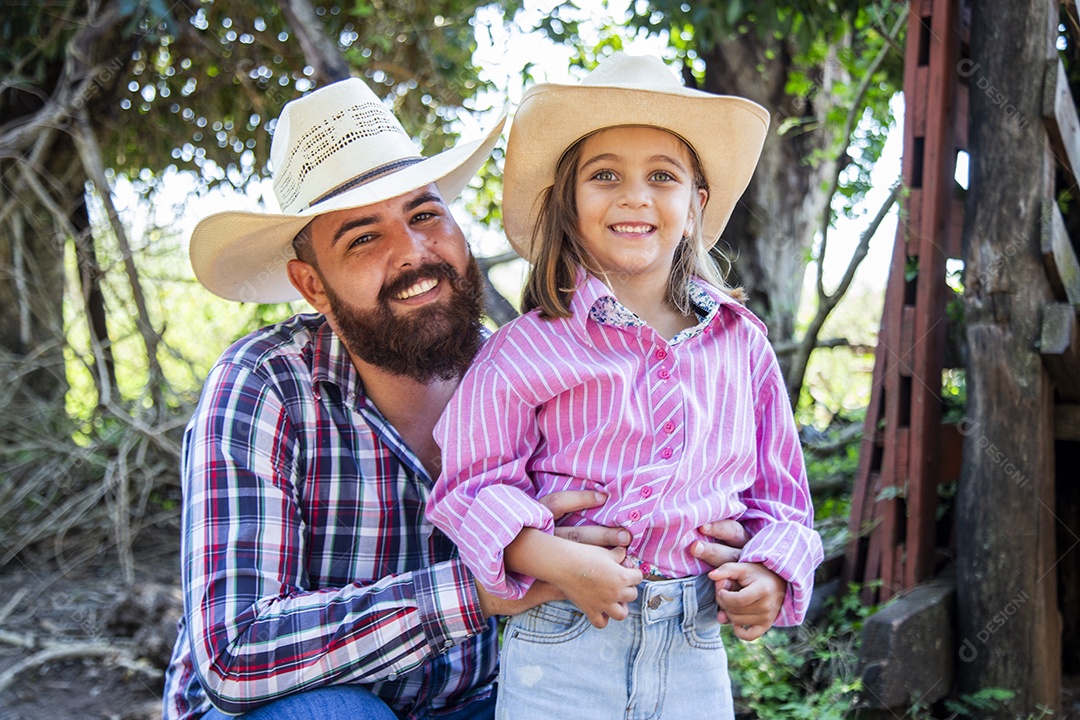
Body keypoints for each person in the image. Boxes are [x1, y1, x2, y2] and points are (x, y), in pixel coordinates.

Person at [164, 75, 749, 720]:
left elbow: (650, 501)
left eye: (424, 215)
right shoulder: (263, 385)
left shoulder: (524, 368)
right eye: (363, 238)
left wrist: (713, 543)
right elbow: (233, 652)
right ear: (312, 285)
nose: (413, 253)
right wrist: (482, 592)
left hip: (474, 701)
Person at [427, 53, 824, 719]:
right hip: (563, 639)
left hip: (694, 643)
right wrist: (549, 555)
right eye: (604, 174)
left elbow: (783, 503)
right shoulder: (528, 348)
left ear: (696, 204)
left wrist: (770, 574)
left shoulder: (743, 347)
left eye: (661, 176)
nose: (634, 195)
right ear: (570, 202)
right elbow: (466, 489)